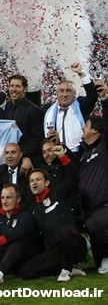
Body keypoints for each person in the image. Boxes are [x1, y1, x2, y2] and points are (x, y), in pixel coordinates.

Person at [20, 163, 87, 282]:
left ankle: (66, 271)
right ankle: (68, 268)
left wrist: (63, 156)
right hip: (55, 250)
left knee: (67, 231)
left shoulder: (58, 193)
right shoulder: (32, 208)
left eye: (38, 179)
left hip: (75, 244)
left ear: (47, 183)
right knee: (26, 272)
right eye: (31, 181)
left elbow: (73, 178)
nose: (34, 183)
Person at [78, 85, 108, 274]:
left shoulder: (104, 147)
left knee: (94, 225)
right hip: (89, 209)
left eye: (87, 125)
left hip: (105, 206)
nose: (83, 127)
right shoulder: (83, 153)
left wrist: (105, 99)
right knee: (98, 264)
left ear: (95, 131)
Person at [43, 63, 98, 153]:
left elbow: (92, 95)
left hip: (79, 153)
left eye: (68, 91)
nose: (64, 95)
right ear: (57, 94)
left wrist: (81, 73)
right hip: (56, 155)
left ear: (74, 93)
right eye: (61, 91)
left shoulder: (81, 106)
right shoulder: (48, 111)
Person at [3, 75, 44, 164]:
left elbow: (37, 138)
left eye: (18, 86)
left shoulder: (34, 110)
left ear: (24, 89)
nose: (14, 89)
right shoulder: (8, 105)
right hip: (10, 156)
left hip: (25, 158)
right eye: (12, 86)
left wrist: (24, 155)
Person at [0, 143, 33, 210]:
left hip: (25, 209)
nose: (9, 156)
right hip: (6, 210)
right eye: (7, 153)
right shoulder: (2, 170)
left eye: (13, 152)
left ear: (20, 155)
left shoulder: (25, 168)